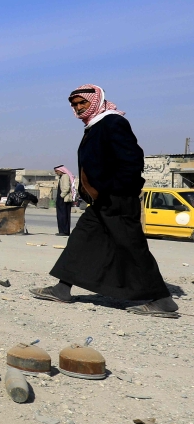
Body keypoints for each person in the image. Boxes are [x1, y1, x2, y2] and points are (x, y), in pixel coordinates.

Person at [31, 84, 178, 318]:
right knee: (82, 238)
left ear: (96, 101)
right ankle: (62, 288)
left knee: (130, 245)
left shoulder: (112, 123)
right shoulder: (95, 126)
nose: (78, 108)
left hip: (118, 199)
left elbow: (132, 161)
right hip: (102, 201)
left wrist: (114, 190)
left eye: (83, 103)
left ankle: (162, 300)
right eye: (75, 104)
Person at [54, 165, 76, 236]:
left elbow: (66, 188)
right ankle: (63, 231)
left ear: (61, 170)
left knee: (63, 215)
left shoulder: (65, 176)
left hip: (63, 199)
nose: (56, 173)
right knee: (63, 215)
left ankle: (64, 231)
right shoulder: (62, 177)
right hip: (63, 199)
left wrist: (61, 196)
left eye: (56, 171)